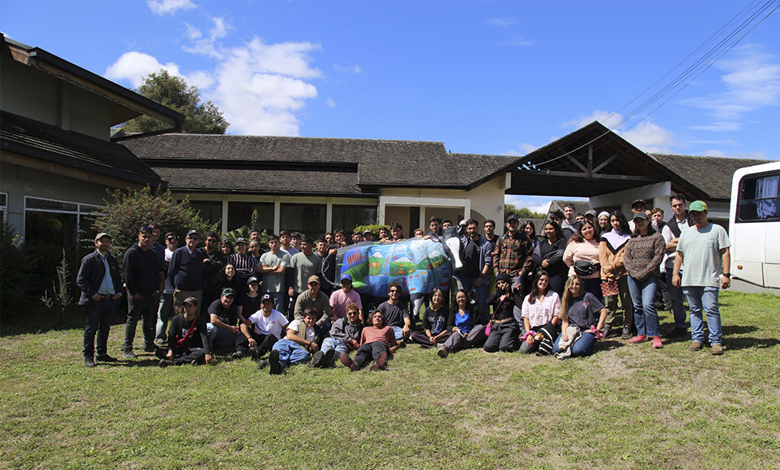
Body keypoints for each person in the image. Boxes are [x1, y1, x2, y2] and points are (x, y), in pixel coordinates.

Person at [672, 200, 731, 355]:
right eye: (694, 214)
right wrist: (675, 273)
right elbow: (679, 254)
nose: (697, 217)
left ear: (706, 213)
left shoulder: (717, 230)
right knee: (694, 310)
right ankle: (697, 339)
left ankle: (715, 341)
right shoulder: (687, 233)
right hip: (689, 278)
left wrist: (726, 274)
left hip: (709, 278)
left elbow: (725, 252)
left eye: (699, 213)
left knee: (711, 309)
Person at [77, 232, 123, 367]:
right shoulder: (89, 259)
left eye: (107, 241)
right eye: (102, 241)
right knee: (91, 328)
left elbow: (117, 278)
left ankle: (102, 353)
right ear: (95, 243)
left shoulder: (112, 260)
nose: (105, 243)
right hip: (96, 300)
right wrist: (93, 294)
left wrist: (119, 292)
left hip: (110, 299)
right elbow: (81, 279)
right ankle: (88, 356)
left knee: (105, 328)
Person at [623, 212, 666, 349]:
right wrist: (633, 272)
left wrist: (644, 272)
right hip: (633, 277)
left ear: (648, 221)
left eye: (642, 220)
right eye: (637, 221)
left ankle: (655, 335)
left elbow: (657, 258)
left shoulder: (657, 237)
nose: (640, 223)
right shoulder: (632, 240)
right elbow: (626, 259)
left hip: (650, 276)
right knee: (637, 306)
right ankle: (641, 333)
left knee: (648, 305)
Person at [122, 226, 162, 358]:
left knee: (149, 320)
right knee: (132, 320)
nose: (146, 239)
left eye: (149, 237)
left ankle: (149, 344)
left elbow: (156, 273)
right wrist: (133, 292)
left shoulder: (152, 254)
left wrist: (156, 289)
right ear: (139, 237)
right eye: (144, 236)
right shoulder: (131, 253)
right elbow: (127, 275)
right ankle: (127, 347)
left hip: (150, 294)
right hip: (136, 294)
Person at [552, 275, 608, 358]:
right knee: (557, 349)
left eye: (577, 284)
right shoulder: (566, 299)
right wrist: (564, 332)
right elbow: (565, 320)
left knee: (578, 351)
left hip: (587, 330)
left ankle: (588, 344)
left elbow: (603, 311)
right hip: (572, 329)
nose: (574, 286)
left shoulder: (588, 296)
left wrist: (597, 329)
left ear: (581, 286)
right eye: (572, 284)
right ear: (567, 285)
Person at [599, 211, 633, 339]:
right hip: (607, 277)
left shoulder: (628, 238)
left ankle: (627, 325)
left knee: (626, 301)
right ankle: (608, 325)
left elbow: (624, 257)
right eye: (612, 221)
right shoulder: (605, 237)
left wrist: (611, 268)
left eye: (617, 220)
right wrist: (608, 272)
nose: (615, 223)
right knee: (609, 302)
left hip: (623, 274)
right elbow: (602, 256)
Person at [662, 194, 693, 338]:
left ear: (685, 205)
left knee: (693, 297)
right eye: (675, 205)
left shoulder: (694, 221)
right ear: (671, 207)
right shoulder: (669, 225)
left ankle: (696, 326)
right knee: (676, 298)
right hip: (673, 266)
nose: (678, 207)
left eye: (680, 204)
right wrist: (683, 241)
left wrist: (677, 240)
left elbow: (696, 239)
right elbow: (664, 245)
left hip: (691, 265)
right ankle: (680, 325)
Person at [267, 308, 329, 374]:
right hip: (286, 342)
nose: (311, 321)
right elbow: (290, 336)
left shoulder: (316, 331)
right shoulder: (297, 323)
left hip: (300, 349)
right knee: (282, 351)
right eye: (308, 318)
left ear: (316, 319)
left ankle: (276, 365)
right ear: (304, 318)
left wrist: (313, 348)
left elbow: (315, 345)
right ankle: (277, 366)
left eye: (313, 318)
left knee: (304, 356)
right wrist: (308, 343)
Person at [157, 297, 212, 367]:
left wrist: (207, 353)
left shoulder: (200, 321)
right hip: (180, 347)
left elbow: (204, 337)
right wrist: (170, 350)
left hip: (193, 348)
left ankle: (175, 361)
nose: (187, 309)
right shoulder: (176, 319)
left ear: (195, 308)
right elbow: (171, 336)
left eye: (190, 306)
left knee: (202, 352)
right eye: (185, 306)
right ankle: (189, 360)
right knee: (159, 352)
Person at [519, 271, 561, 354]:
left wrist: (545, 331)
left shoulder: (554, 296)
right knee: (523, 350)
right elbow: (526, 317)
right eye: (541, 280)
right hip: (534, 330)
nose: (543, 282)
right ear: (536, 280)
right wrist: (529, 334)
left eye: (546, 280)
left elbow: (557, 315)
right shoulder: (529, 298)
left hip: (549, 328)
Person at [234, 294, 288, 359]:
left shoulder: (278, 315)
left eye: (268, 303)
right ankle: (240, 351)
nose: (266, 305)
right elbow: (243, 325)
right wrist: (249, 338)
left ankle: (257, 353)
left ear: (272, 305)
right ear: (261, 305)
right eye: (264, 303)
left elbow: (288, 327)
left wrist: (285, 339)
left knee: (270, 336)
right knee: (244, 330)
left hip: (273, 340)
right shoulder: (258, 314)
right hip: (261, 337)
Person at [459, 219, 493, 322]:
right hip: (465, 279)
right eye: (469, 228)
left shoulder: (486, 244)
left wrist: (481, 278)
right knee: (467, 303)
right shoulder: (463, 242)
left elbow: (488, 262)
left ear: (478, 229)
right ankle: (469, 325)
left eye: (474, 228)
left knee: (482, 303)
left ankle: (483, 325)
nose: (472, 230)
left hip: (480, 279)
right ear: (466, 229)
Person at [438, 289, 486, 358]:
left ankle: (462, 344)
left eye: (463, 297)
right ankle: (445, 348)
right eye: (459, 297)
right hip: (459, 333)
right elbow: (449, 325)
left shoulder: (473, 309)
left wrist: (469, 333)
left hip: (471, 334)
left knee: (480, 327)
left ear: (466, 298)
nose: (461, 299)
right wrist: (453, 328)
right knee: (456, 335)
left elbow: (478, 323)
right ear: (456, 299)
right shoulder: (453, 311)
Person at [168, 230, 206, 316]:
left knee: (195, 315)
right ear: (186, 239)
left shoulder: (200, 254)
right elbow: (171, 271)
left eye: (195, 238)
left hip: (197, 290)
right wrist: (176, 285)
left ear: (198, 241)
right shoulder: (178, 252)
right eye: (190, 238)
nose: (192, 240)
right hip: (182, 290)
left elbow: (201, 271)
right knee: (181, 314)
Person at [492, 214, 533, 293]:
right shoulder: (501, 239)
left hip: (516, 275)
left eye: (514, 222)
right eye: (510, 223)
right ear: (507, 224)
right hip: (502, 274)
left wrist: (522, 272)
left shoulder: (524, 239)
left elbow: (529, 257)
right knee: (501, 300)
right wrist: (496, 271)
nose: (512, 225)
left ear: (517, 224)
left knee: (516, 300)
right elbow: (496, 255)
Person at [563, 220, 602, 302]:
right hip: (577, 279)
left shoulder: (600, 243)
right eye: (584, 229)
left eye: (589, 228)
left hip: (595, 279)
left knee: (595, 302)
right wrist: (576, 267)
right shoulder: (574, 243)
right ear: (580, 231)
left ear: (594, 229)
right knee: (577, 302)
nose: (587, 230)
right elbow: (566, 258)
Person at [484, 273, 522, 352]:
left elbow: (520, 305)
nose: (501, 285)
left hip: (508, 325)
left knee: (505, 347)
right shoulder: (496, 296)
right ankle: (502, 339)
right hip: (497, 326)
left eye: (503, 282)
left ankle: (514, 339)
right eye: (498, 283)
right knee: (488, 347)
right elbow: (487, 302)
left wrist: (516, 293)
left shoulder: (511, 296)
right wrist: (498, 293)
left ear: (508, 283)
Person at [288, 237, 322, 315]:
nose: (302, 246)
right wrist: (290, 287)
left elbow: (319, 275)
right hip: (297, 290)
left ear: (310, 246)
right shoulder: (295, 257)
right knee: (295, 312)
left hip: (311, 291)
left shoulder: (317, 259)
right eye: (301, 244)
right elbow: (290, 273)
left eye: (305, 244)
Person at [155, 232, 178, 345]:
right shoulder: (163, 253)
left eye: (174, 239)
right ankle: (160, 335)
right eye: (170, 239)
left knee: (177, 315)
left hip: (178, 290)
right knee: (162, 314)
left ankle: (175, 335)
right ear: (166, 241)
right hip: (165, 289)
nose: (172, 241)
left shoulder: (179, 253)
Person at [258, 234, 290, 312]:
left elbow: (281, 270)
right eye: (271, 242)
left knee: (278, 312)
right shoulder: (264, 256)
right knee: (265, 311)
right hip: (266, 288)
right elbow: (259, 269)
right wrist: (272, 268)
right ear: (269, 244)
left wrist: (266, 269)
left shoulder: (285, 255)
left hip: (278, 289)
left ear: (279, 243)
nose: (274, 244)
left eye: (275, 242)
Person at [200, 231, 225, 311]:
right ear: (205, 241)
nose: (211, 243)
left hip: (213, 285)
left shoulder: (218, 254)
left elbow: (220, 266)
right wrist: (213, 265)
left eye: (214, 241)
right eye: (209, 240)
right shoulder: (199, 252)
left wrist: (209, 262)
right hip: (200, 283)